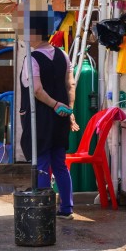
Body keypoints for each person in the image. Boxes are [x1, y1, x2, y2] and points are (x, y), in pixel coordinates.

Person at [19, 14, 79, 219]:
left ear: (34, 34)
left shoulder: (32, 58)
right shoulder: (63, 55)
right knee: (60, 163)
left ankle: (44, 210)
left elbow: (36, 90)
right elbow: (70, 84)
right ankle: (66, 209)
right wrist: (68, 110)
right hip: (61, 117)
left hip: (41, 118)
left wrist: (54, 105)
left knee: (42, 163)